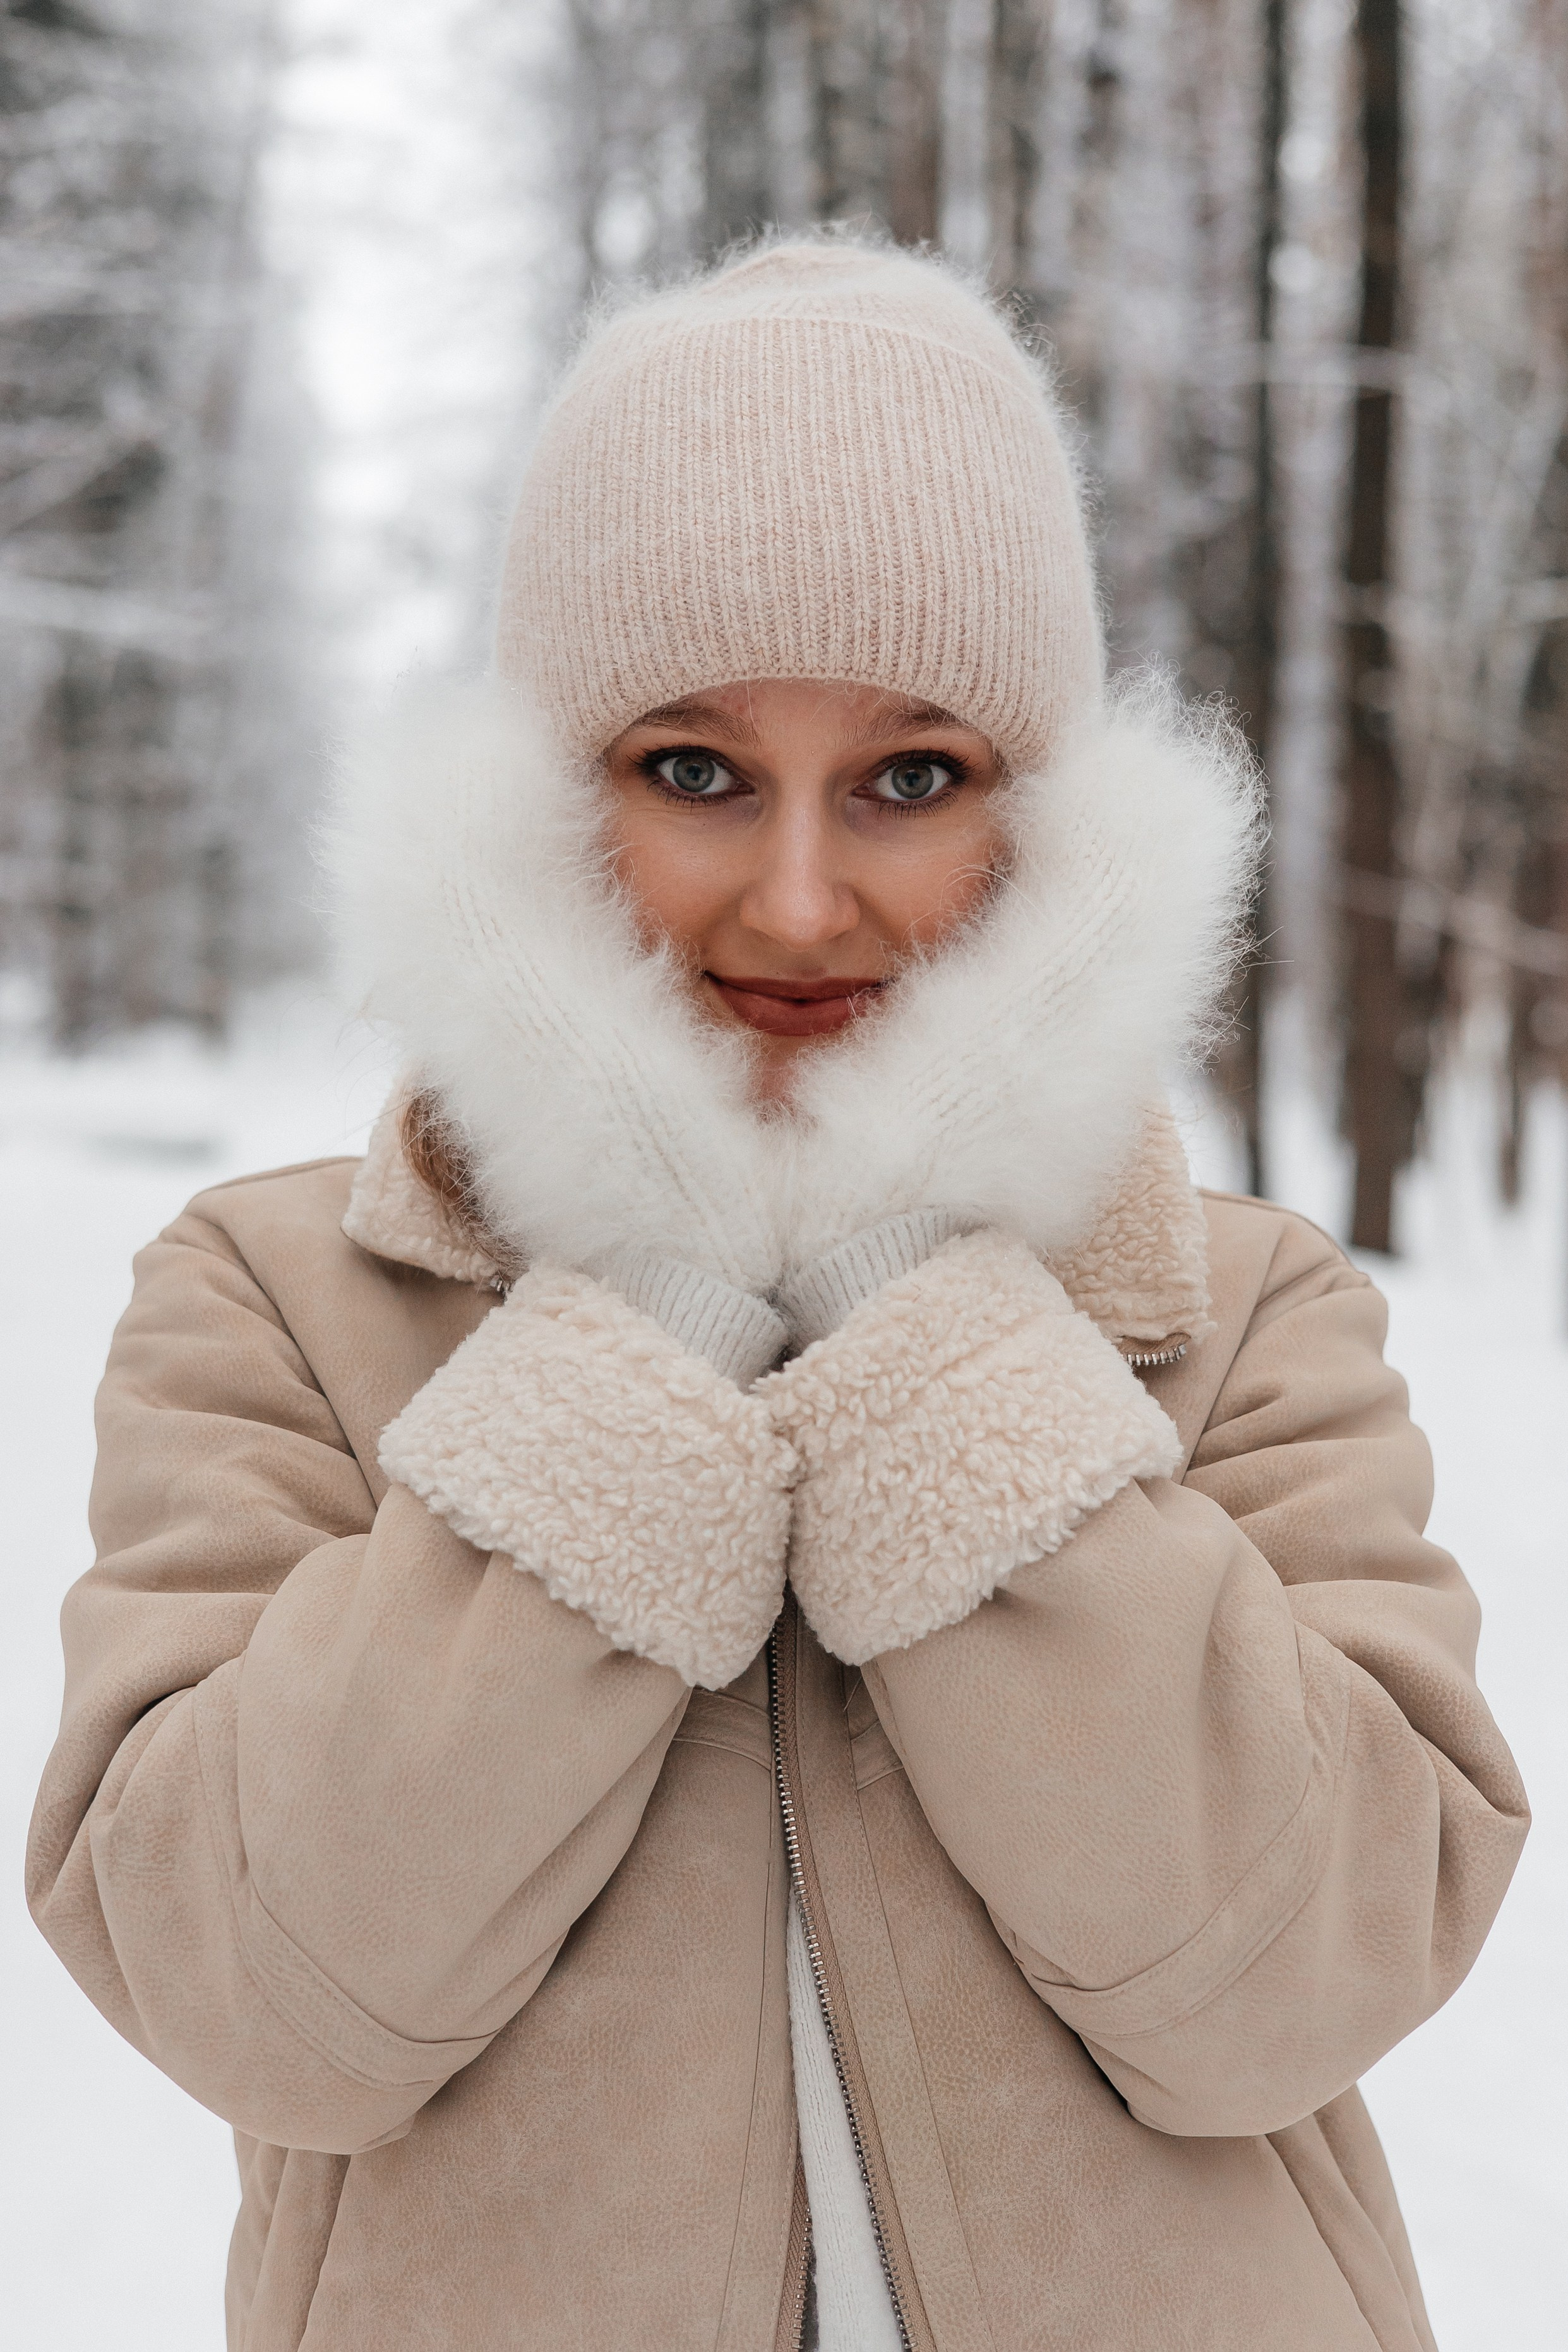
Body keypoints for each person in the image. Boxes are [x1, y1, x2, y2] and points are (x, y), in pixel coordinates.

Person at [28, 237, 1528, 2352]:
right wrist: (638, 1353)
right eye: (693, 770)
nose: (804, 897)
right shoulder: (280, 1302)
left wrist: (931, 1354)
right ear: (553, 804)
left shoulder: (1228, 1310)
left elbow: (1297, 1982)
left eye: (910, 777)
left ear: (1037, 822)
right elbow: (264, 1998)